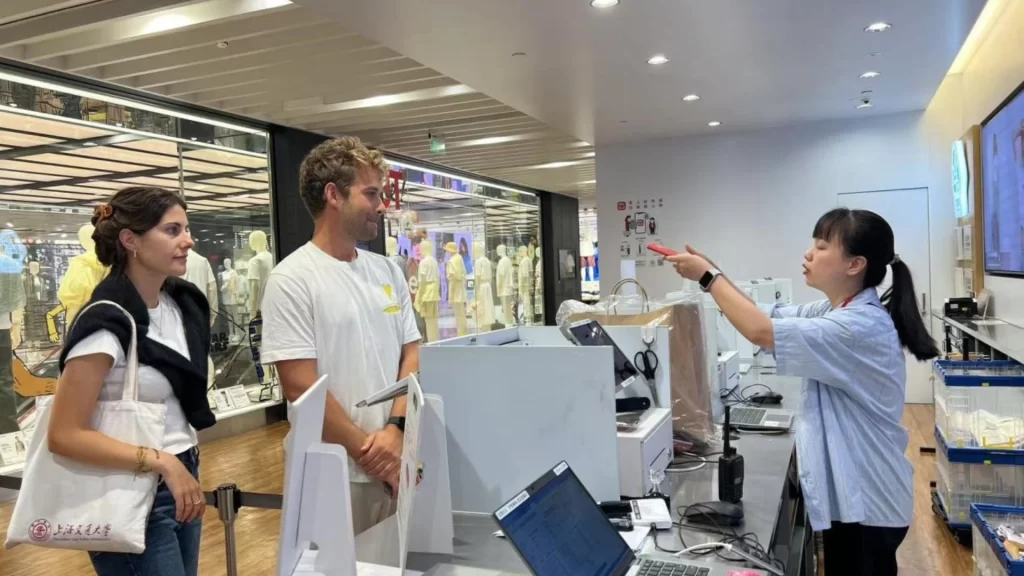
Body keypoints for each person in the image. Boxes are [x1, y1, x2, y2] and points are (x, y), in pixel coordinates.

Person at [667, 208, 937, 576]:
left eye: (822, 247)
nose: (809, 253)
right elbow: (763, 316)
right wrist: (714, 274)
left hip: (868, 501)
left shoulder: (857, 326)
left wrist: (709, 277)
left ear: (855, 264)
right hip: (859, 496)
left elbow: (760, 332)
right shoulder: (835, 308)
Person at [50, 187, 215, 576]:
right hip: (127, 489)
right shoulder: (105, 323)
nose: (188, 241)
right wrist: (163, 462)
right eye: (172, 230)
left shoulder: (182, 305)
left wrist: (178, 465)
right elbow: (64, 434)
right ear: (130, 240)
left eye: (187, 228)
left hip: (182, 475)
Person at [260, 136, 421, 534]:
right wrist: (371, 454)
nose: (381, 206)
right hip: (332, 473)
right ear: (333, 195)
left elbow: (412, 355)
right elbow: (300, 385)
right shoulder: (292, 279)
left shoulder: (387, 271)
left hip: (396, 458)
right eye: (371, 194)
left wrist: (395, 431)